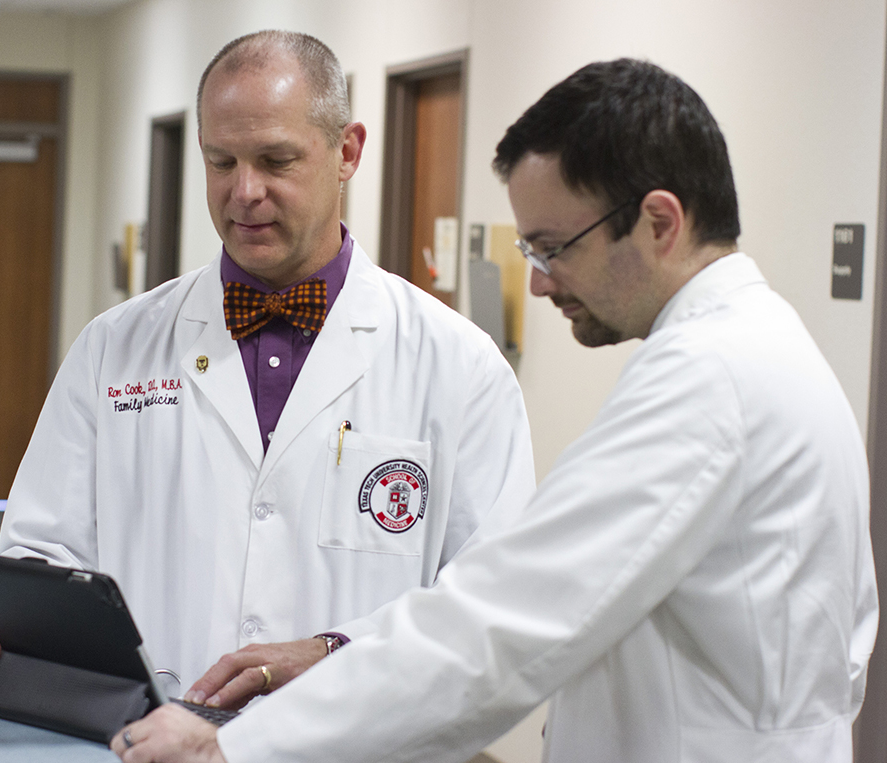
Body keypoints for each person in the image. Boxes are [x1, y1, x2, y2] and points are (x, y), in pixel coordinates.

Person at [109, 58, 878, 763]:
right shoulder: (766, 350)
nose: (538, 284)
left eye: (551, 248)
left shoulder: (711, 380)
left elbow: (501, 623)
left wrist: (237, 747)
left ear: (660, 222)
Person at [0, 30, 534, 716]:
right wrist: (13, 633)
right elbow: (44, 546)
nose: (244, 192)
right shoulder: (116, 346)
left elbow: (495, 600)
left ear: (347, 152)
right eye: (221, 161)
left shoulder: (458, 365)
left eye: (276, 160)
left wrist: (338, 651)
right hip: (147, 733)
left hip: (353, 739)